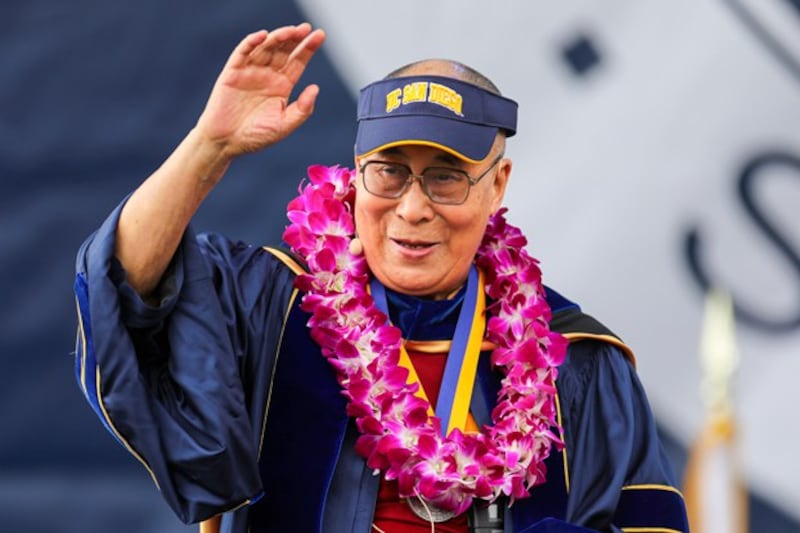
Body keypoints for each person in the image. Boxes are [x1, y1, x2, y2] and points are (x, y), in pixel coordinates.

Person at [73, 23, 689, 533]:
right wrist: (209, 148)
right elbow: (125, 285)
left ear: (497, 186)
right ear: (356, 173)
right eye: (389, 172)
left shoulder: (574, 360)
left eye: (445, 176)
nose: (413, 208)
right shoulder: (271, 306)